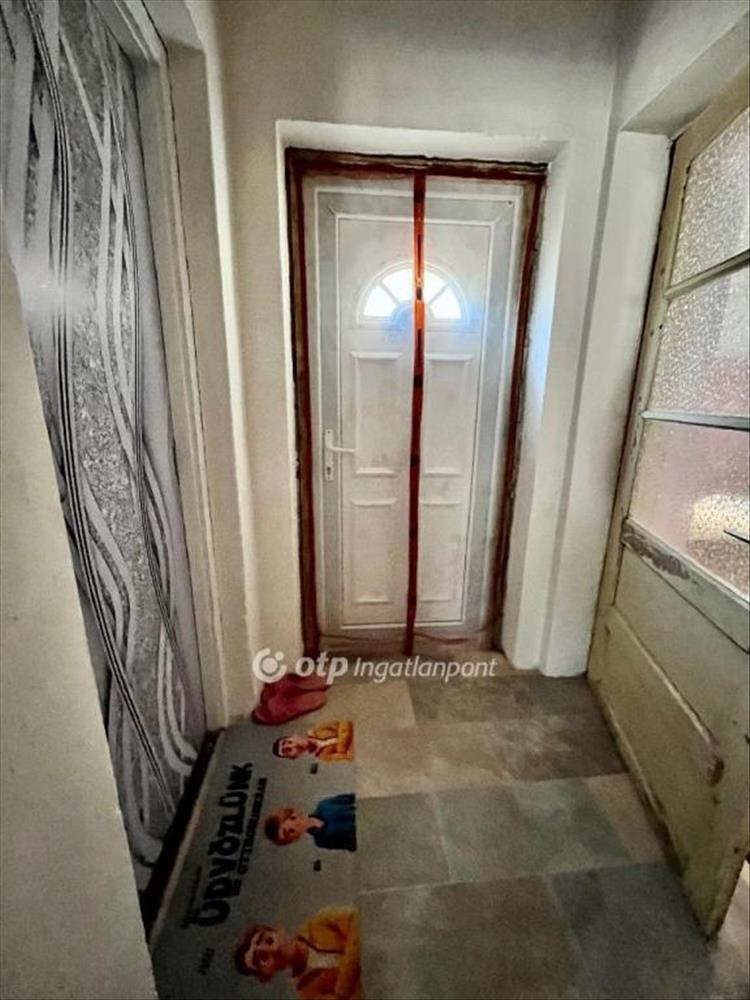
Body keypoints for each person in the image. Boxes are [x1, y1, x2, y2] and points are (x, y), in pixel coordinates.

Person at [234, 906, 361, 1000]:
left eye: (268, 940)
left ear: (278, 930)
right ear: (266, 976)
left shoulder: (318, 923)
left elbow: (359, 920)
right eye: (263, 958)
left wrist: (342, 988)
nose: (274, 949)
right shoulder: (309, 995)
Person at [264, 793, 356, 851]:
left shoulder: (324, 805)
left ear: (292, 816)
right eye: (288, 839)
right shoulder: (321, 841)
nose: (292, 836)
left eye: (288, 831)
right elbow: (352, 845)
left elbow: (354, 797)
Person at [273, 720, 354, 762]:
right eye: (288, 750)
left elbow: (345, 722)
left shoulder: (318, 728)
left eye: (289, 742)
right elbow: (349, 756)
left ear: (294, 736)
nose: (293, 745)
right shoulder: (323, 757)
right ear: (295, 756)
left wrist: (341, 747)